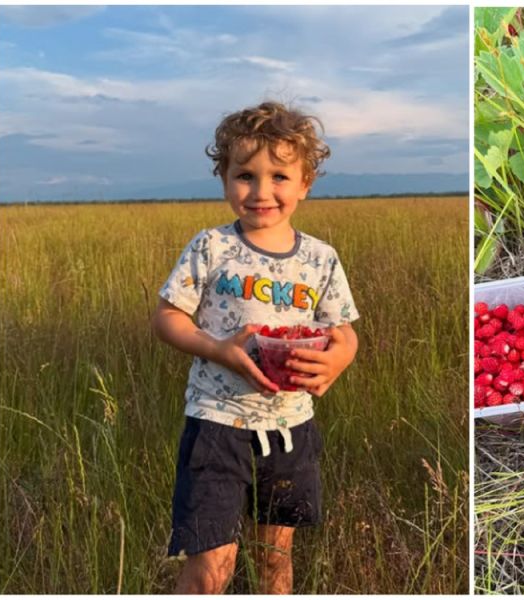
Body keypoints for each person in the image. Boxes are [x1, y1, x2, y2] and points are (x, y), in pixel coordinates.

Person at [152, 101, 359, 594]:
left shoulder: (320, 259)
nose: (261, 191)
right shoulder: (211, 247)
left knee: (273, 558)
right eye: (245, 175)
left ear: (306, 182)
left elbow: (343, 331)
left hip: (290, 429)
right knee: (212, 565)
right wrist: (219, 349)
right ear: (224, 179)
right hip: (217, 424)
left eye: (280, 177)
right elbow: (167, 317)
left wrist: (338, 360)